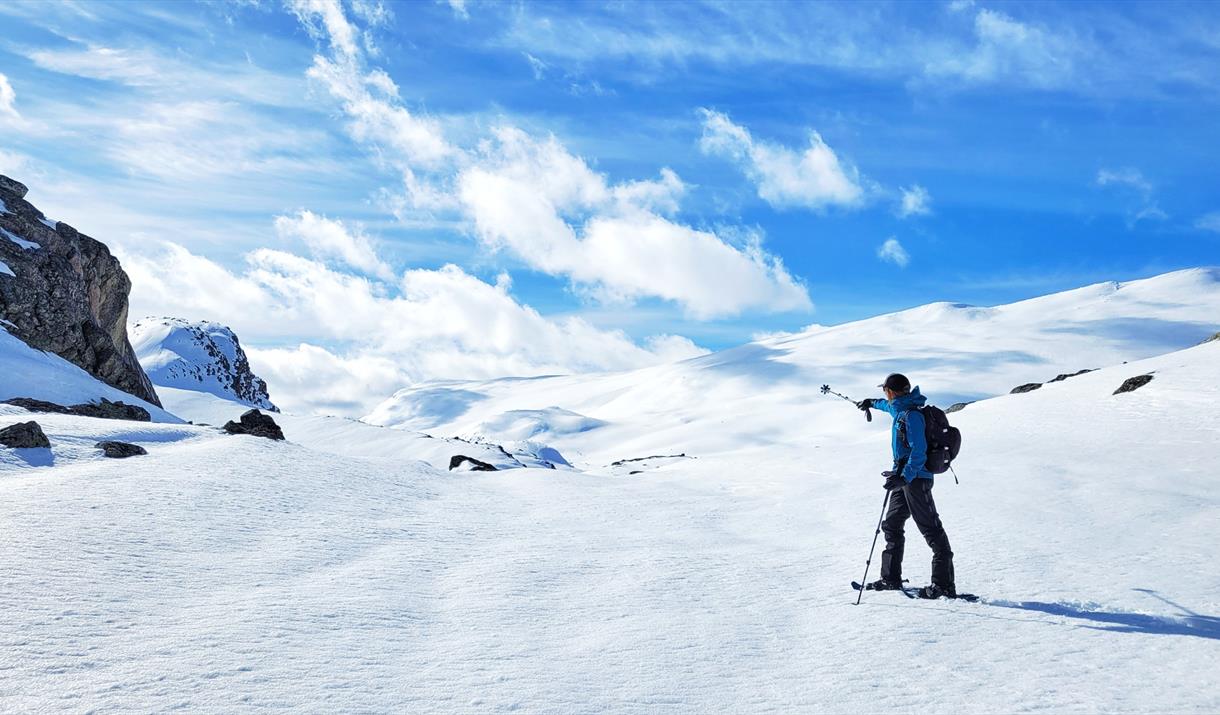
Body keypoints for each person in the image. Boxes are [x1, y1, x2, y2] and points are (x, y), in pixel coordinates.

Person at [856, 373, 956, 599]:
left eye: (885, 391)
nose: (884, 395)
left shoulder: (911, 416)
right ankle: (890, 578)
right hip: (902, 478)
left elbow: (918, 453)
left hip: (916, 478)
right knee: (891, 524)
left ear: (892, 392)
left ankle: (944, 585)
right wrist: (870, 403)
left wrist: (905, 477)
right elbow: (885, 406)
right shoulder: (900, 408)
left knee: (931, 528)